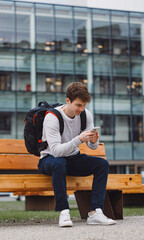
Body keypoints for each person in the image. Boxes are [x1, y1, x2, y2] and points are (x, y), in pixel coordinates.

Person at [38, 82, 116, 227]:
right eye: (79, 105)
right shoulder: (52, 117)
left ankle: (95, 212)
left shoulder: (85, 115)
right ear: (68, 101)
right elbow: (56, 152)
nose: (82, 109)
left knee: (102, 164)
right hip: (49, 160)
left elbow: (91, 147)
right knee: (59, 163)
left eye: (84, 105)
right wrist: (78, 139)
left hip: (73, 158)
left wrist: (93, 141)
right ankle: (64, 212)